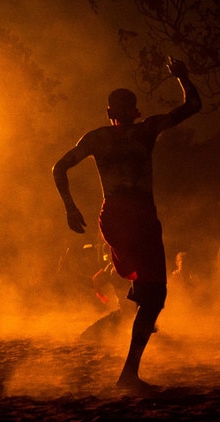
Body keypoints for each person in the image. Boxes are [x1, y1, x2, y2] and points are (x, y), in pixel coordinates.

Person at [52, 57, 202, 391]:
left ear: (113, 112)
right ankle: (129, 373)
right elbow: (192, 104)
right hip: (132, 215)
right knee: (155, 295)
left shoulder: (108, 136)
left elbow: (59, 168)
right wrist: (182, 77)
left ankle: (130, 364)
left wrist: (71, 208)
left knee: (151, 294)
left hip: (124, 215)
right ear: (130, 111)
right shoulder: (141, 131)